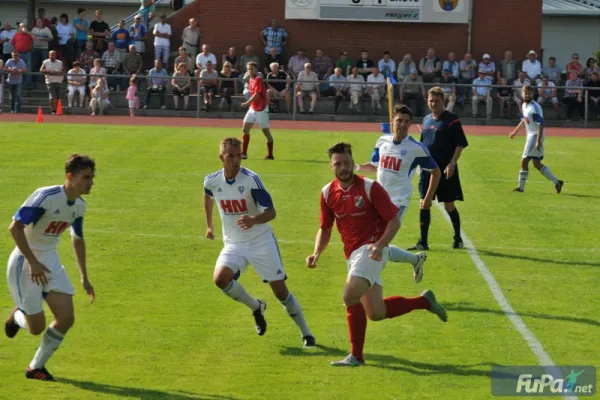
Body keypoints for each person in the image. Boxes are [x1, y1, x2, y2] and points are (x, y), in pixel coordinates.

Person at [306, 142, 447, 367]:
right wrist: (316, 253)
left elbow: (394, 221)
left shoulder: (370, 188)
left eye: (346, 163)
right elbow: (325, 228)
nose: (343, 167)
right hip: (353, 255)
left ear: (354, 163)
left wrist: (380, 245)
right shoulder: (327, 193)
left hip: (371, 250)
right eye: (337, 164)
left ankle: (356, 357)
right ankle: (424, 301)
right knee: (376, 312)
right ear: (331, 166)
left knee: (349, 296)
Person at [203, 137, 315, 348]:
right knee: (220, 279)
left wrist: (253, 220)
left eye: (239, 155)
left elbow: (271, 212)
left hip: (260, 242)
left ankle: (306, 333)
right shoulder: (212, 181)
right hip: (234, 244)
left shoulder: (250, 180)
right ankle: (256, 307)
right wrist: (209, 226)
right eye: (231, 156)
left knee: (280, 291)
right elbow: (208, 196)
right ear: (221, 158)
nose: (236, 160)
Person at [4, 154, 96, 381]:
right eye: (85, 177)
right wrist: (34, 262)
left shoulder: (79, 206)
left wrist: (84, 276)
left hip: (51, 262)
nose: (91, 182)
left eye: (92, 177)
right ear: (69, 177)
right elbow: (15, 228)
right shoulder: (46, 196)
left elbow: (78, 238)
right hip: (25, 263)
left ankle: (35, 367)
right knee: (36, 328)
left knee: (66, 318)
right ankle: (17, 316)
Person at [355, 104, 440, 282]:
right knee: (376, 242)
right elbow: (374, 166)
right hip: (377, 200)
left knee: (380, 241)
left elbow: (436, 172)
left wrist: (428, 197)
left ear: (410, 125)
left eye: (406, 122)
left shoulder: (416, 148)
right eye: (398, 120)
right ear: (392, 121)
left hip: (398, 201)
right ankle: (415, 259)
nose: (401, 124)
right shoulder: (382, 141)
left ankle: (368, 281)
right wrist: (354, 167)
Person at [409, 87, 469, 251]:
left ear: (443, 101)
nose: (433, 103)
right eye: (431, 101)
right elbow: (423, 145)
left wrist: (452, 163)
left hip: (444, 170)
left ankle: (457, 238)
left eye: (436, 100)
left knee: (449, 205)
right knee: (424, 203)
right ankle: (423, 241)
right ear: (427, 102)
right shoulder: (426, 120)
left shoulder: (452, 120)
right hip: (427, 171)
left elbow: (460, 144)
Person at [509, 85, 564, 193]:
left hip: (535, 135)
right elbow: (523, 121)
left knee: (524, 161)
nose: (527, 95)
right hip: (530, 135)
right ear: (522, 94)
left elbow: (541, 124)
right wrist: (514, 132)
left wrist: (538, 141)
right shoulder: (524, 105)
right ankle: (557, 182)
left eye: (529, 93)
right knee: (536, 164)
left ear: (532, 94)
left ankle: (520, 188)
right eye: (525, 93)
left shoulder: (535, 107)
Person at [240, 61, 274, 160]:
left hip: (261, 108)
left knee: (266, 132)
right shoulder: (251, 79)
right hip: (253, 108)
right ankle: (244, 153)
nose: (249, 71)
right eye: (248, 69)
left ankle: (270, 155)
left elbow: (257, 95)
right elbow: (244, 80)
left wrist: (247, 103)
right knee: (245, 129)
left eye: (251, 69)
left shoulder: (258, 79)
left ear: (256, 69)